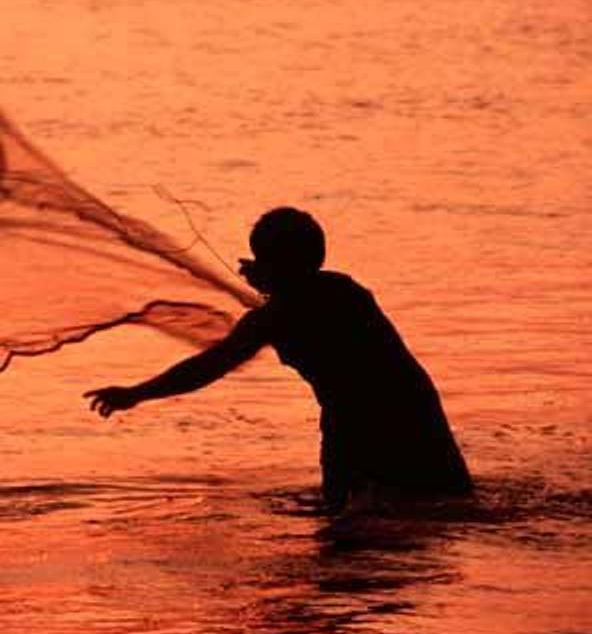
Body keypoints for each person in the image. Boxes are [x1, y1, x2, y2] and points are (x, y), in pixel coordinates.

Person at [84, 207, 473, 511]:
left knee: (348, 526)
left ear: (275, 264)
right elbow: (303, 296)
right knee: (446, 502)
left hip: (356, 426)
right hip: (414, 407)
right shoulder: (346, 290)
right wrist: (274, 282)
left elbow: (212, 364)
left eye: (262, 258)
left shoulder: (275, 317)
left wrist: (135, 393)